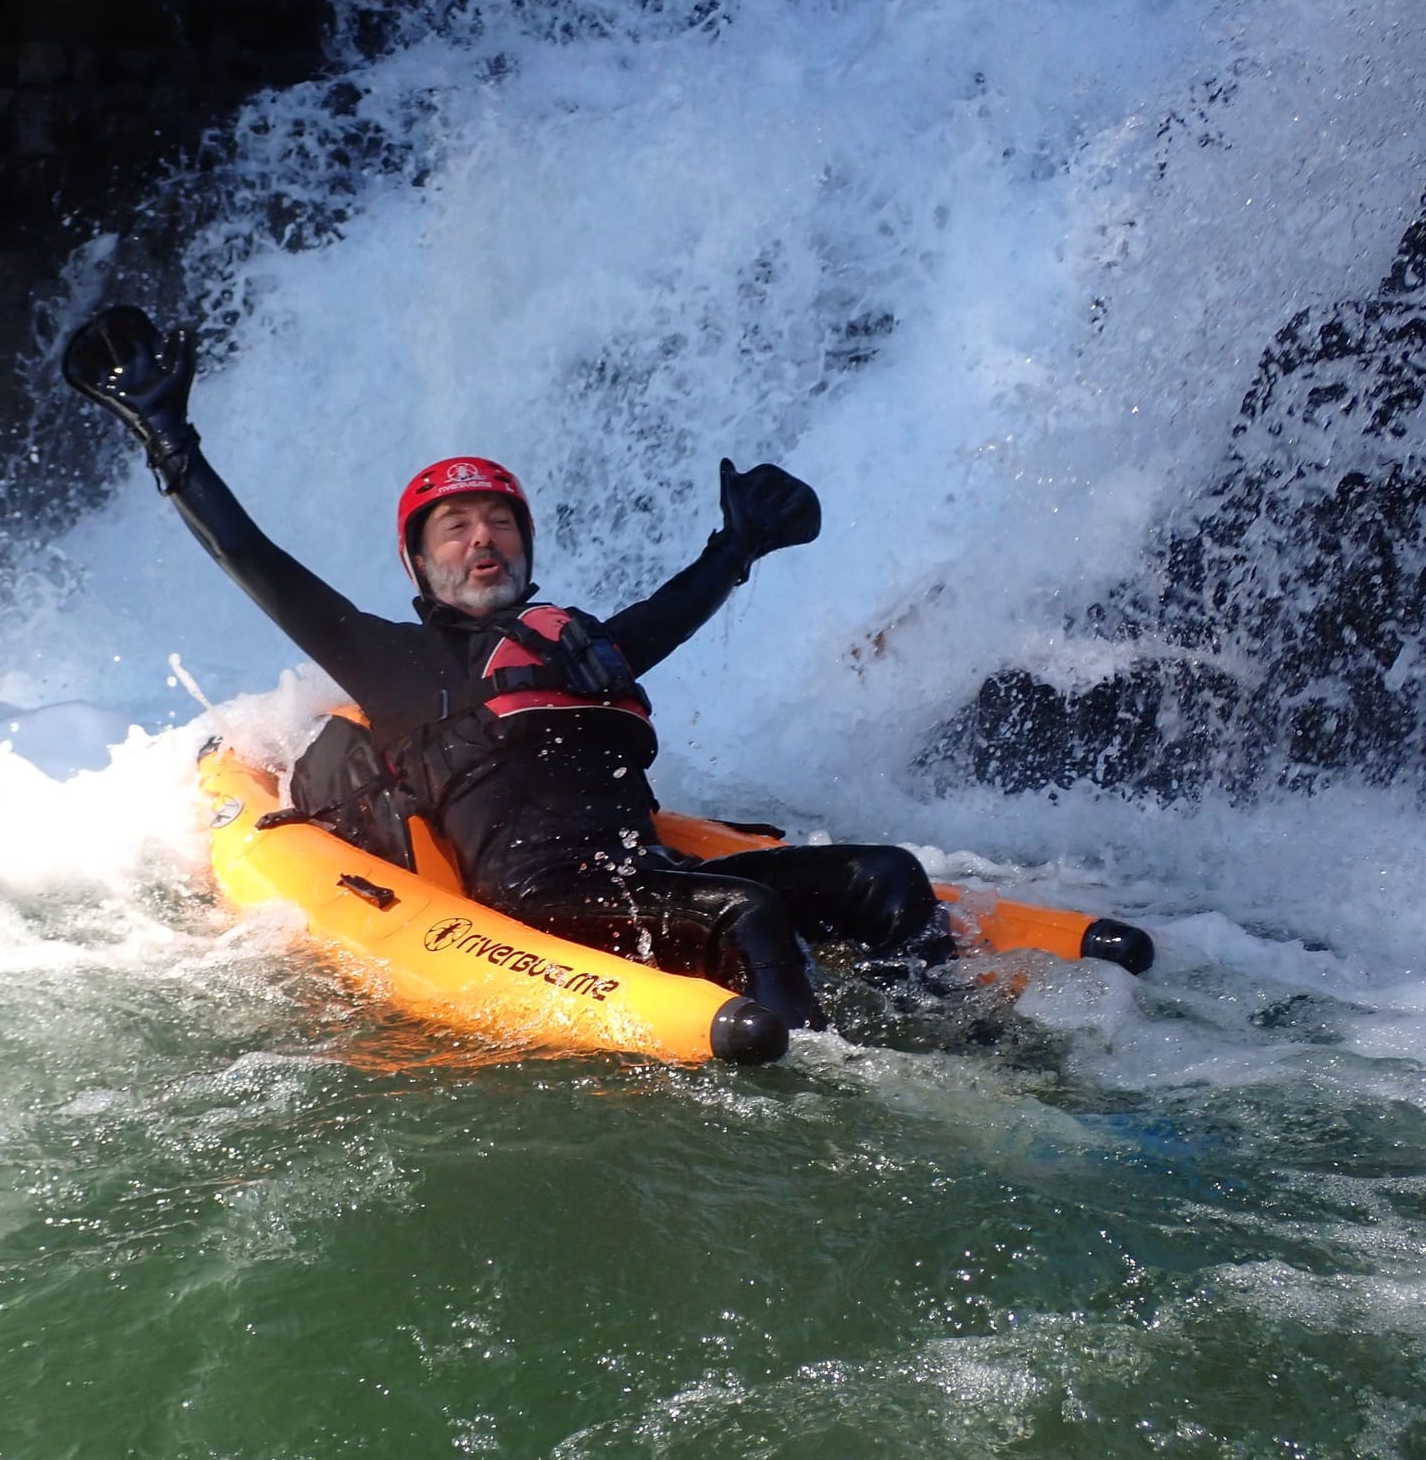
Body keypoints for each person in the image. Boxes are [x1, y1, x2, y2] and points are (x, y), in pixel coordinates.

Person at [63, 305, 950, 1063]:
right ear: (418, 564)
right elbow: (252, 558)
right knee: (746, 912)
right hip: (538, 897)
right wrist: (167, 437)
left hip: (646, 874)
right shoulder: (389, 659)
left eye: (500, 522)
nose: (482, 538)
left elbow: (677, 607)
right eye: (454, 527)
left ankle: (958, 1043)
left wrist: (741, 542)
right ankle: (833, 1092)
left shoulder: (581, 649)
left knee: (886, 875)